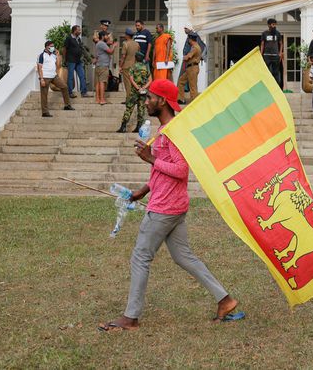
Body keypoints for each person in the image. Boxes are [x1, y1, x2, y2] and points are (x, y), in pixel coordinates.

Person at [98, 79, 240, 332]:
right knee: (184, 256)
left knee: (140, 256)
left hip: (164, 209)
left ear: (162, 101)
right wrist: (142, 191)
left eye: (150, 98)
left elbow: (181, 170)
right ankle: (225, 300)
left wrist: (149, 158)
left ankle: (130, 317)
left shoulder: (173, 132)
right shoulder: (166, 131)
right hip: (173, 206)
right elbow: (163, 171)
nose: (146, 102)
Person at [36, 40, 73, 117]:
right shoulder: (42, 55)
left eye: (53, 46)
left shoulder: (53, 55)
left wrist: (58, 55)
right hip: (45, 77)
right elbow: (39, 68)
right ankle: (45, 112)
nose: (53, 48)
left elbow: (58, 65)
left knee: (64, 87)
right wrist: (41, 79)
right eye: (51, 46)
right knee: (44, 95)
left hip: (54, 76)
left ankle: (67, 105)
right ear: (47, 47)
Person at [118, 52, 151, 133]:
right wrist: (143, 87)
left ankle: (123, 127)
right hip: (143, 91)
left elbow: (131, 79)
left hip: (134, 91)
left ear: (135, 58)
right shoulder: (146, 67)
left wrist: (137, 87)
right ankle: (139, 127)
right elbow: (150, 80)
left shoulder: (133, 67)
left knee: (129, 108)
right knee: (141, 109)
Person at [64, 25, 87, 98]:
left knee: (82, 76)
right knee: (70, 77)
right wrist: (65, 60)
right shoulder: (69, 38)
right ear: (74, 31)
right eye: (79, 30)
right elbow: (64, 49)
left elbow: (81, 49)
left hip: (78, 61)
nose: (80, 31)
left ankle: (83, 92)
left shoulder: (78, 39)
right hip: (71, 61)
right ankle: (70, 92)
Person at [177, 32, 201, 103]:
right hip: (189, 68)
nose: (188, 40)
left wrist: (185, 57)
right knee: (181, 81)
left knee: (192, 86)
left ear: (191, 39)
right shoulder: (194, 46)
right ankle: (180, 99)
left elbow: (188, 57)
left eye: (188, 39)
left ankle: (194, 102)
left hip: (193, 68)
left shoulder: (195, 47)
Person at [259, 18, 283, 89]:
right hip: (267, 55)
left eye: (275, 24)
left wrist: (280, 53)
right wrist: (261, 54)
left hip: (275, 56)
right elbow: (262, 44)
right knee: (266, 71)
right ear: (269, 25)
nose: (274, 26)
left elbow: (281, 44)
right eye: (273, 24)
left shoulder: (278, 33)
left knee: (276, 72)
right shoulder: (264, 33)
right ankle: (266, 87)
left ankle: (276, 87)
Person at [94, 33, 115, 105]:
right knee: (102, 82)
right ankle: (102, 99)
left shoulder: (98, 44)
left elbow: (97, 56)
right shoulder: (102, 44)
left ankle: (97, 98)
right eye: (106, 36)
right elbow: (110, 52)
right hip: (103, 66)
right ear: (103, 36)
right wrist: (114, 46)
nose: (107, 37)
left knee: (98, 82)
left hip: (98, 65)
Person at [120, 29, 140, 98]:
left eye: (125, 34)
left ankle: (129, 98)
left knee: (127, 83)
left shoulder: (125, 44)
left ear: (127, 35)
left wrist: (120, 66)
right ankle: (135, 97)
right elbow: (138, 55)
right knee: (134, 82)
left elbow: (123, 56)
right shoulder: (137, 44)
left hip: (127, 66)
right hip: (135, 65)